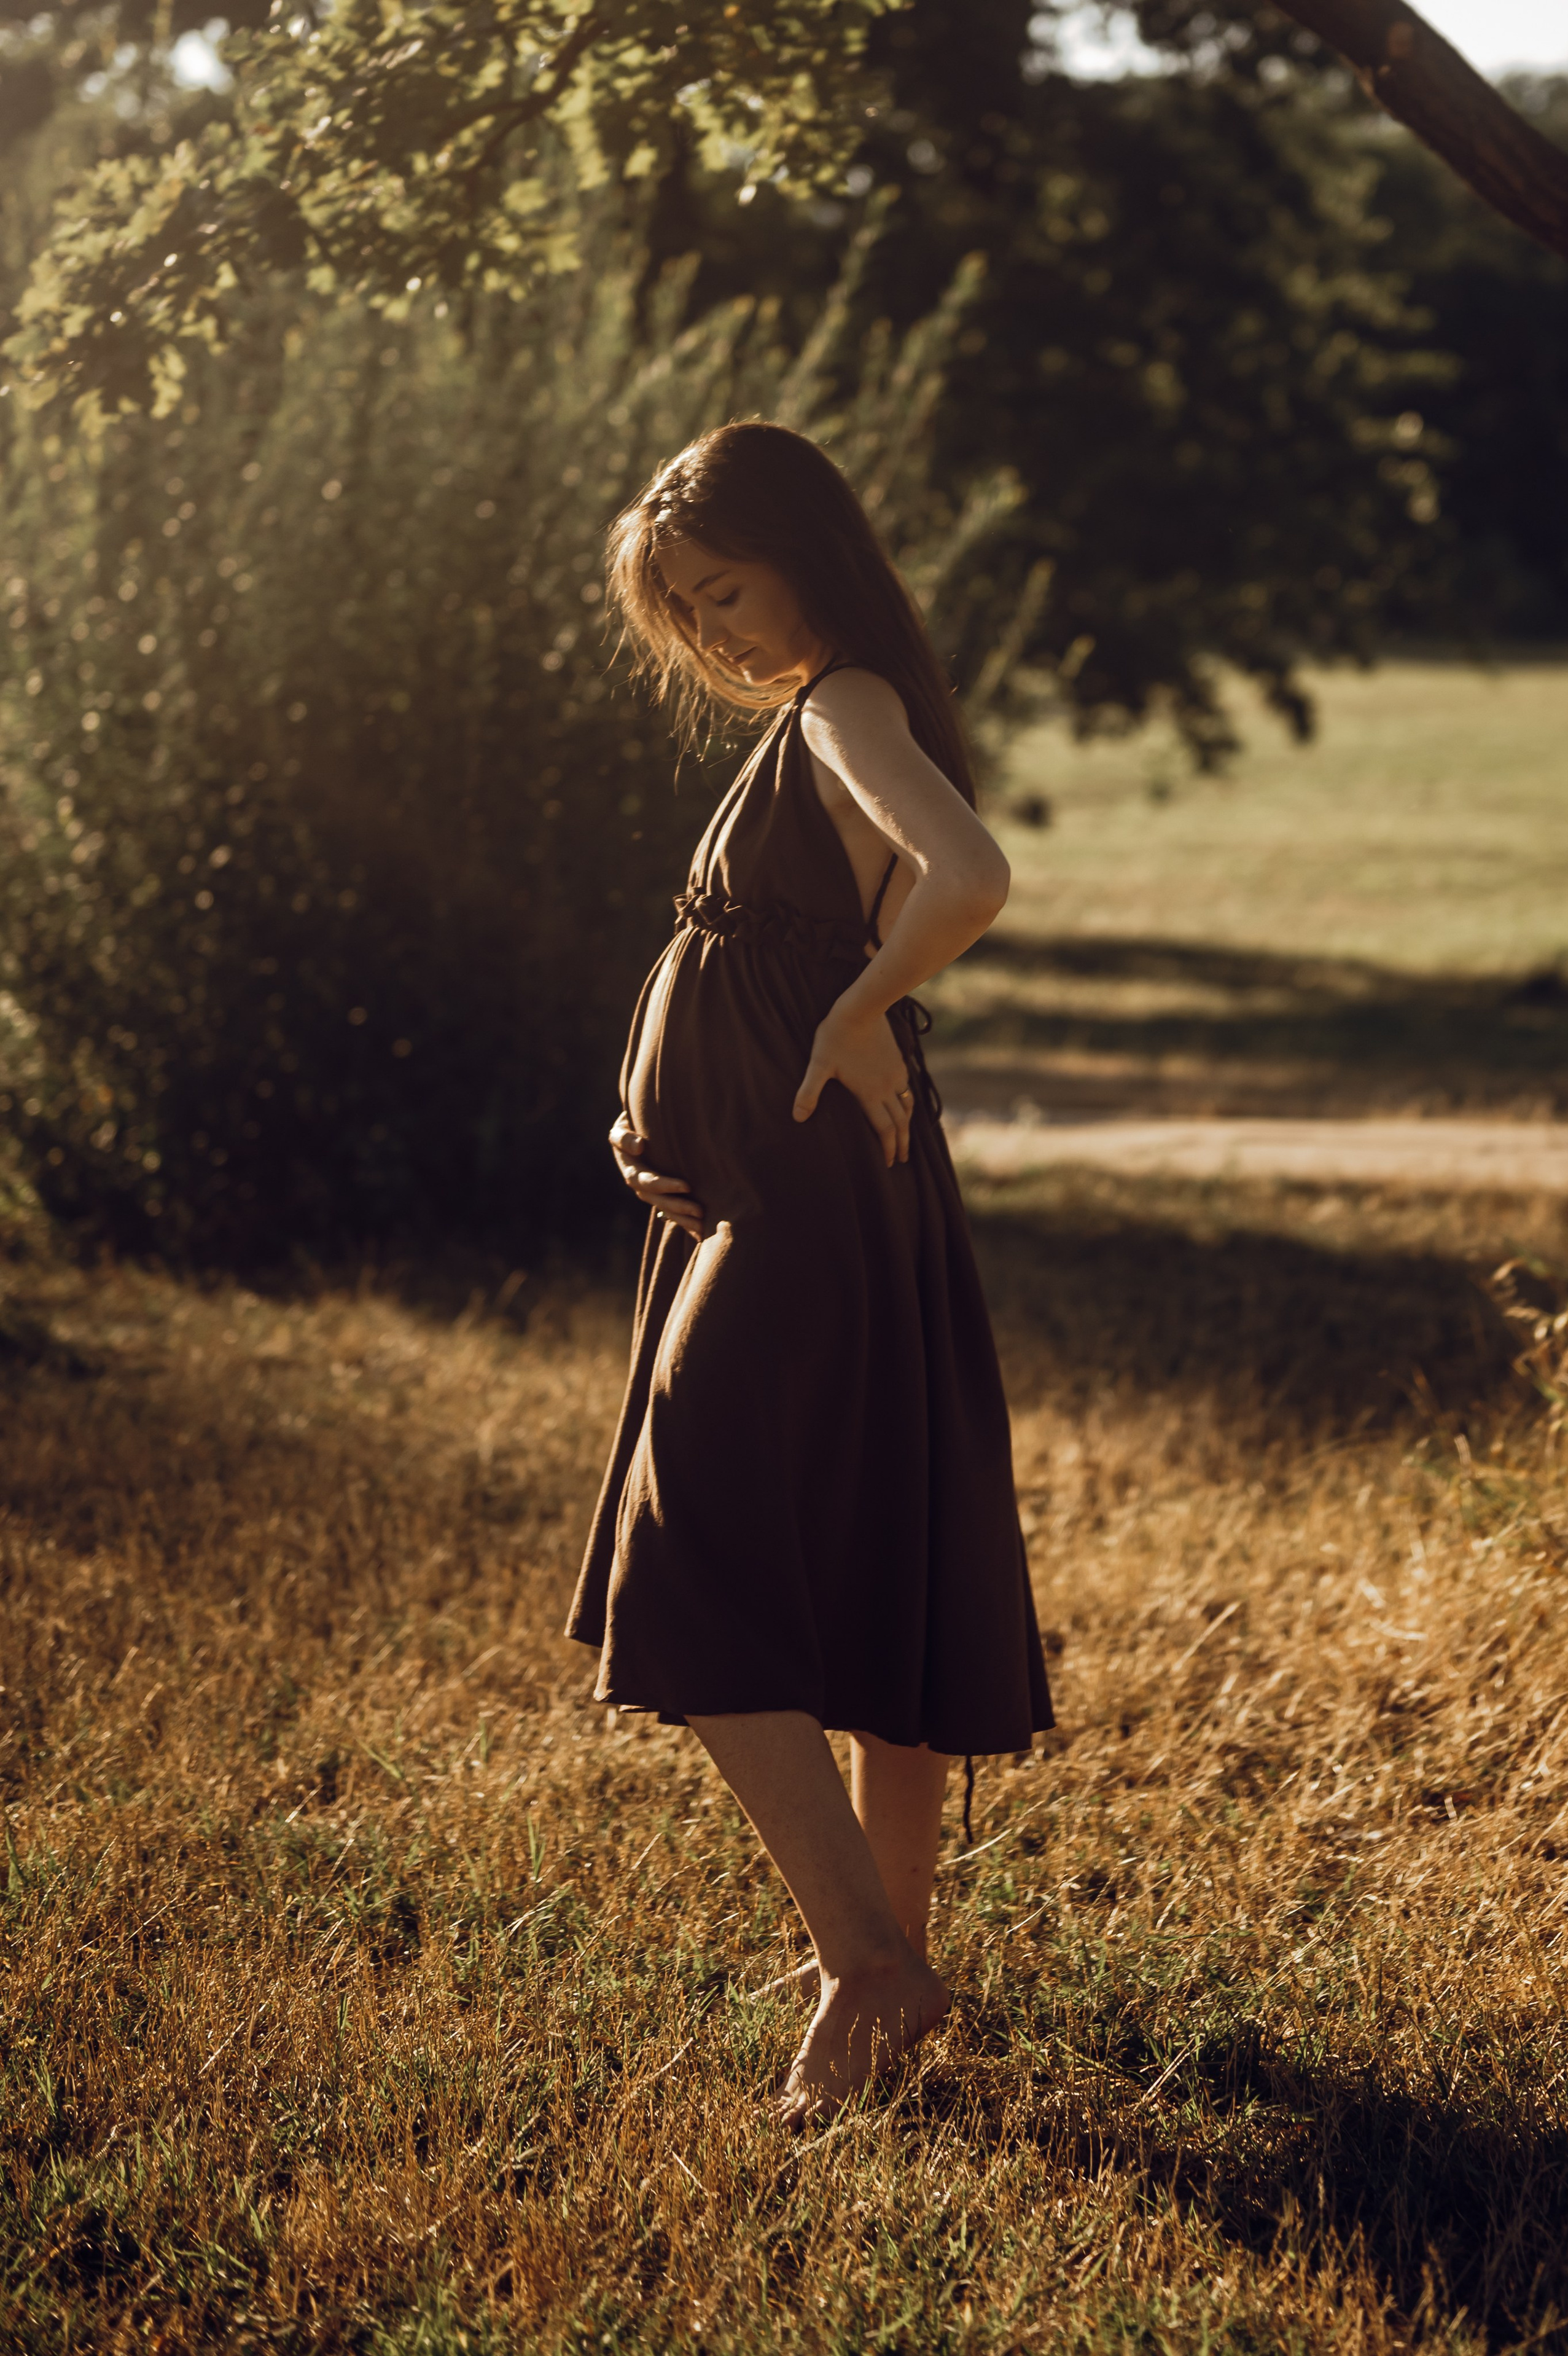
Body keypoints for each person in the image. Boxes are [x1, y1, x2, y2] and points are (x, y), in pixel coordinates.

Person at [566, 420, 1053, 2126]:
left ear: (808, 554)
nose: (713, 632)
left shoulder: (845, 704)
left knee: (682, 1545)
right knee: (867, 1556)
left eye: (727, 588)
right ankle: (892, 1973)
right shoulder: (812, 714)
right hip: (782, 1193)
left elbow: (970, 876)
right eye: (685, 614)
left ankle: (865, 1958)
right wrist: (659, 1103)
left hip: (808, 1204)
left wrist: (853, 1014)